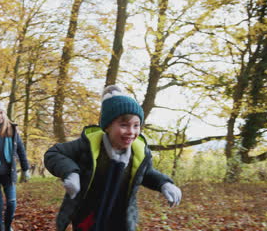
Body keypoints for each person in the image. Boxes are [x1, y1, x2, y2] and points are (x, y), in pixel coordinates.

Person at [44, 85, 182, 231]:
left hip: (121, 219)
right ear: (107, 126)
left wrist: (164, 183)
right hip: (88, 217)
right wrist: (71, 173)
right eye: (124, 125)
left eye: (136, 126)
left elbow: (146, 173)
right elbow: (54, 154)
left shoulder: (140, 153)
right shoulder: (88, 145)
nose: (131, 132)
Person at [0, 96, 30, 231]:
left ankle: (8, 226)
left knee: (11, 202)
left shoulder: (12, 130)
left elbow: (21, 150)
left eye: (1, 112)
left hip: (8, 172)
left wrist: (26, 169)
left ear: (5, 113)